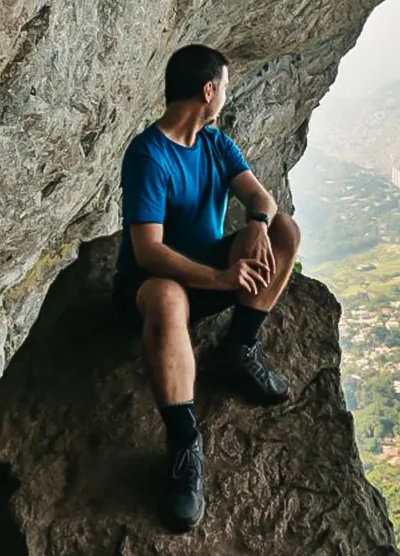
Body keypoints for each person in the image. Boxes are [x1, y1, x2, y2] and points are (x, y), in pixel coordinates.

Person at [112, 44, 302, 533]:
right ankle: (184, 443)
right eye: (225, 87)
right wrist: (221, 278)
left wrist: (258, 223)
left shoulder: (216, 144)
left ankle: (238, 349)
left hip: (208, 272)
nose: (225, 96)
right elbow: (148, 252)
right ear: (208, 90)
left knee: (286, 231)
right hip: (152, 286)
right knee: (166, 295)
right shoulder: (148, 155)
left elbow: (259, 196)